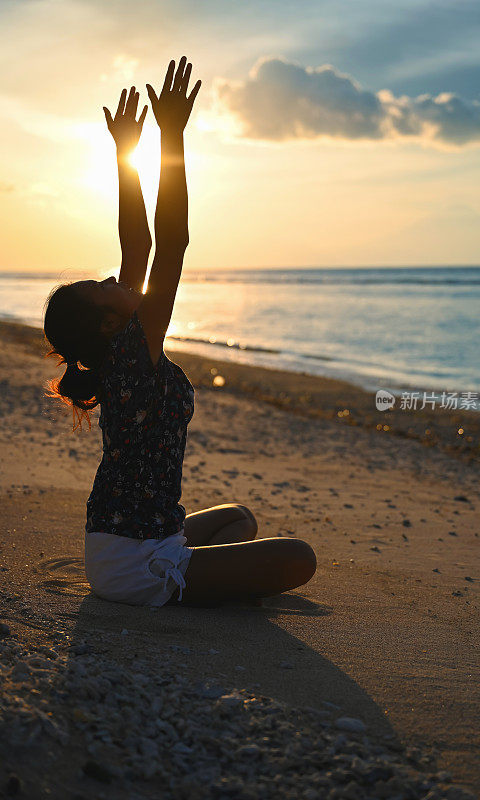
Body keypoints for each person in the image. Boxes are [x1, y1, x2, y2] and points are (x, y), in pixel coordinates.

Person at [42, 58, 317, 608]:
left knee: (240, 518)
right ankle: (181, 581)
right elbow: (171, 244)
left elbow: (138, 246)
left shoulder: (122, 344)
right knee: (298, 559)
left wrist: (126, 154)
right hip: (130, 561)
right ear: (104, 321)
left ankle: (200, 572)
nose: (112, 276)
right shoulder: (133, 349)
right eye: (102, 285)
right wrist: (172, 136)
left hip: (137, 535)